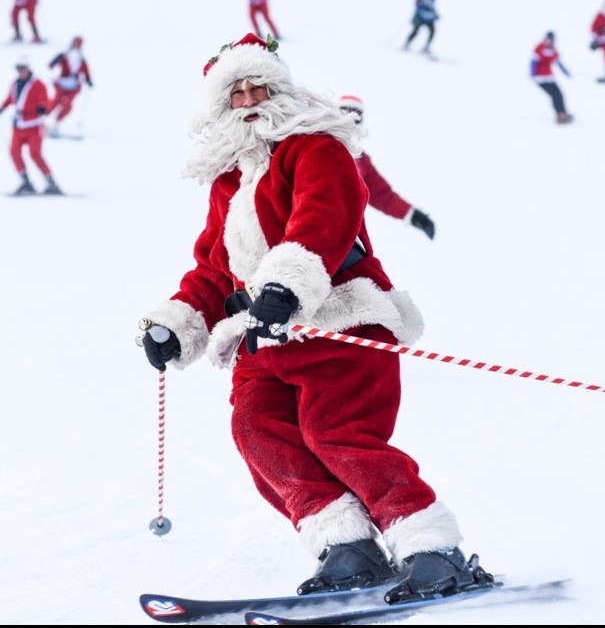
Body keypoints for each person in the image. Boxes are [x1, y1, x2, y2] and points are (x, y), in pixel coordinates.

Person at [137, 33, 492, 602]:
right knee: (258, 432)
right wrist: (178, 323)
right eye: (237, 91)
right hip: (265, 338)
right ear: (221, 104)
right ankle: (347, 545)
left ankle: (432, 549)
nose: (251, 98)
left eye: (261, 84)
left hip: (338, 324)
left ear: (282, 88)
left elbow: (322, 222)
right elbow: (213, 266)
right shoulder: (231, 181)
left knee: (338, 433)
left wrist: (284, 287)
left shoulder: (317, 147)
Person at [337, 95, 436, 240]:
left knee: (366, 263)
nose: (351, 118)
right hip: (310, 224)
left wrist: (413, 215)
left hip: (343, 232)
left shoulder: (360, 159)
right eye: (345, 112)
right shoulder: (320, 144)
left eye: (356, 114)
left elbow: (381, 194)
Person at [0, 57, 61, 195]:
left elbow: (44, 98)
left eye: (22, 68)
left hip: (34, 124)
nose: (20, 71)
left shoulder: (38, 84)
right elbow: (10, 99)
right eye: (18, 69)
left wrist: (42, 107)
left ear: (28, 68)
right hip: (18, 125)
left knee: (35, 154)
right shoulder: (15, 84)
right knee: (14, 152)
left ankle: (51, 182)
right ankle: (25, 181)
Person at [48, 36, 93, 134]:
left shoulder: (81, 59)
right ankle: (42, 119)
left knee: (67, 105)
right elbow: (50, 65)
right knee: (55, 102)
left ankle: (56, 122)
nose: (76, 47)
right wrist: (56, 60)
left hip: (74, 85)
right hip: (62, 83)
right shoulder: (64, 56)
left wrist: (88, 80)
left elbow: (85, 71)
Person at [530, 31, 572, 125]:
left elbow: (559, 62)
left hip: (549, 77)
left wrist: (566, 72)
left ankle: (563, 112)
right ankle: (559, 114)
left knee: (559, 94)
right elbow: (533, 62)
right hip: (540, 78)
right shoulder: (539, 47)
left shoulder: (553, 50)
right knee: (554, 95)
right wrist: (532, 74)